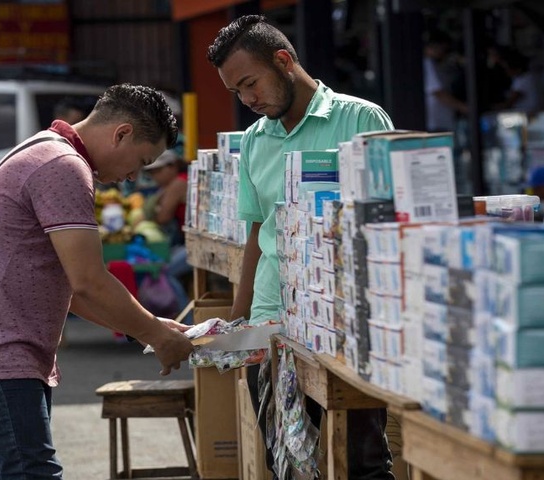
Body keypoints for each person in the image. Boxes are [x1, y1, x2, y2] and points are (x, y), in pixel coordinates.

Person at [0, 83, 195, 480]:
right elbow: (88, 281)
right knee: (32, 473)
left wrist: (148, 327)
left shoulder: (45, 148)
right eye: (141, 161)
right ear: (122, 134)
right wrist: (157, 336)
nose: (133, 177)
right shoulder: (63, 166)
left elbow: (68, 286)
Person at [207, 15, 395, 480]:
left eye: (251, 84)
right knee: (287, 462)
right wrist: (239, 319)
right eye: (237, 93)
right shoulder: (253, 141)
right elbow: (256, 235)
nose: (248, 100)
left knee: (363, 461)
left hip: (344, 324)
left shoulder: (362, 119)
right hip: (273, 324)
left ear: (284, 61)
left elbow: (388, 222)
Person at [143, 149, 192, 321]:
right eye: (151, 173)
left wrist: (150, 214)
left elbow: (163, 217)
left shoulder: (179, 183)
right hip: (186, 241)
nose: (155, 177)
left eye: (158, 171)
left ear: (172, 167)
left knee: (166, 270)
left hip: (194, 244)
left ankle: (187, 320)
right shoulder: (169, 186)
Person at [423, 30, 467, 132]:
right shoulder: (427, 63)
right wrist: (463, 108)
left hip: (442, 120)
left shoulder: (435, 64)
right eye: (443, 49)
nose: (443, 53)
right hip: (435, 123)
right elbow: (438, 92)